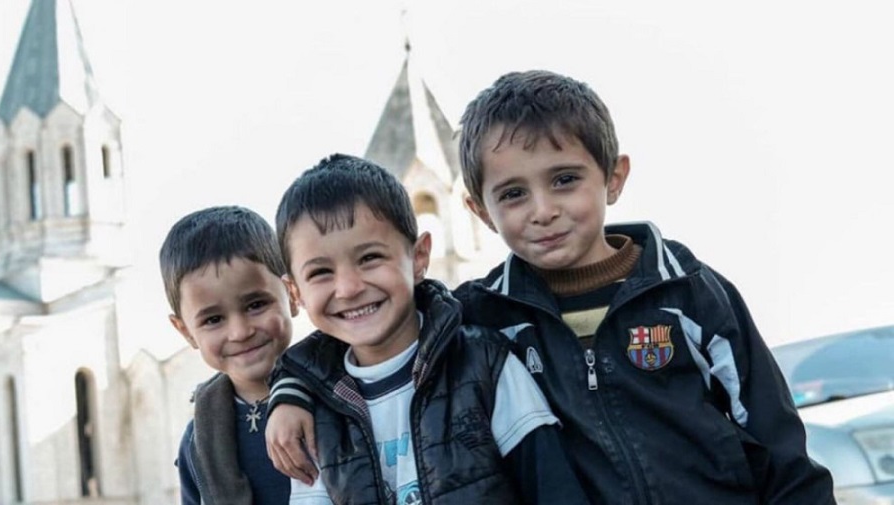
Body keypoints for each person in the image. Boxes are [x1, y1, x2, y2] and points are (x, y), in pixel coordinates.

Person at [268, 71, 838, 504]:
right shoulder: (477, 317)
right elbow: (373, 323)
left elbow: (778, 442)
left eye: (564, 180)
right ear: (481, 211)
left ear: (613, 177)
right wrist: (289, 392)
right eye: (513, 194)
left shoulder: (691, 293)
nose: (542, 210)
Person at [265, 153, 588, 504]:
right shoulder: (312, 410)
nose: (349, 288)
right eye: (320, 272)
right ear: (295, 292)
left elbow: (552, 487)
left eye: (370, 258)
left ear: (419, 258)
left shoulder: (485, 364)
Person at [159, 205, 295, 505]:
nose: (240, 332)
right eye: (213, 319)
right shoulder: (199, 442)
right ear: (186, 331)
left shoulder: (340, 393)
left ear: (292, 294)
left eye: (256, 305)